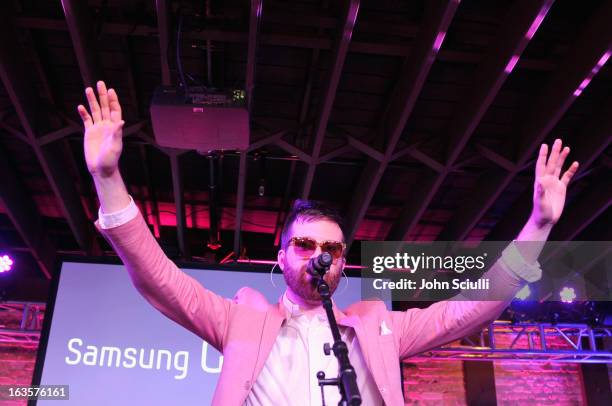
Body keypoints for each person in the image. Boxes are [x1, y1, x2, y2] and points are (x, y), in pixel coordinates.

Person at [78, 81, 579, 405]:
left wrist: (537, 225)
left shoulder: (379, 327)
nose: (320, 255)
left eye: (333, 249)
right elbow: (157, 276)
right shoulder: (239, 320)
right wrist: (106, 176)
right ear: (281, 255)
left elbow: (469, 309)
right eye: (305, 244)